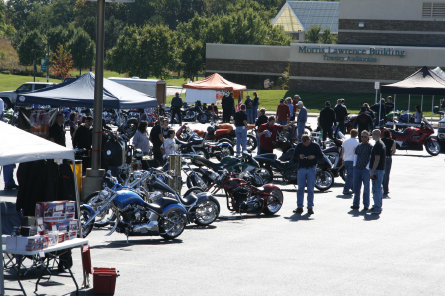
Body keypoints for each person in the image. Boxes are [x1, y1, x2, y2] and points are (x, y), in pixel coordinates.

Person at [293, 134, 323, 215]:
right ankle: (300, 207)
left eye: (307, 143)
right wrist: (299, 156)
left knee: (310, 189)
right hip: (302, 169)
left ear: (309, 140)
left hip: (311, 169)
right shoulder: (299, 146)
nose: (306, 144)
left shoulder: (315, 146)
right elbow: (294, 155)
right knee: (300, 189)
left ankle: (310, 207)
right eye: (304, 143)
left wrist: (314, 157)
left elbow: (321, 156)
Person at [351, 130, 373, 210]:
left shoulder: (370, 147)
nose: (363, 138)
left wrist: (367, 168)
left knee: (366, 188)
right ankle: (356, 204)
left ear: (368, 137)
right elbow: (355, 156)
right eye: (362, 136)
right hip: (357, 169)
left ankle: (366, 205)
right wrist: (355, 166)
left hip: (365, 170)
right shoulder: (358, 146)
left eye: (365, 137)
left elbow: (371, 159)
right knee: (356, 188)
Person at [369, 129, 386, 214]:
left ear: (376, 135)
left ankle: (377, 207)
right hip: (380, 169)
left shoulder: (378, 145)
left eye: (372, 134)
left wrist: (372, 172)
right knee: (378, 188)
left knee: (376, 189)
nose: (372, 136)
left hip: (377, 170)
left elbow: (377, 159)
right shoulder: (381, 144)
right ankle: (377, 205)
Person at [342, 129, 359, 195]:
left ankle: (353, 188)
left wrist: (342, 159)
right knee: (350, 176)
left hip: (346, 160)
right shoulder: (356, 142)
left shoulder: (345, 141)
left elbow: (343, 152)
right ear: (356, 134)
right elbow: (355, 152)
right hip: (352, 160)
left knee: (349, 175)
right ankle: (346, 189)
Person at [381, 129, 396, 196]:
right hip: (388, 158)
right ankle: (386, 189)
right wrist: (390, 153)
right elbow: (394, 151)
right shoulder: (392, 141)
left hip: (382, 158)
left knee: (381, 173)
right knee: (387, 174)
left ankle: (381, 187)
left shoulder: (381, 141)